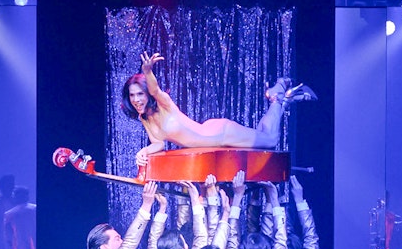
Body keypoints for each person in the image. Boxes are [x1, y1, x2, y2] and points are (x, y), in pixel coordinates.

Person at [124, 51, 315, 166]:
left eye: (140, 94)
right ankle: (282, 98)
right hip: (213, 141)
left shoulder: (163, 103)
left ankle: (278, 92)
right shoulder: (145, 118)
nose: (136, 99)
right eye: (132, 95)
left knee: (270, 139)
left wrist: (147, 71)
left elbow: (155, 88)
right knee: (263, 135)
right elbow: (158, 143)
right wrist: (144, 152)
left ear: (147, 94)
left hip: (221, 134)